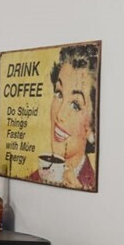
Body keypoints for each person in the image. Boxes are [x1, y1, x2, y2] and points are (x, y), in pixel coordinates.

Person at [28, 43, 99, 191]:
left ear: (92, 129)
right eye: (59, 94)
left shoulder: (87, 186)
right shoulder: (32, 179)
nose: (59, 114)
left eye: (75, 105)